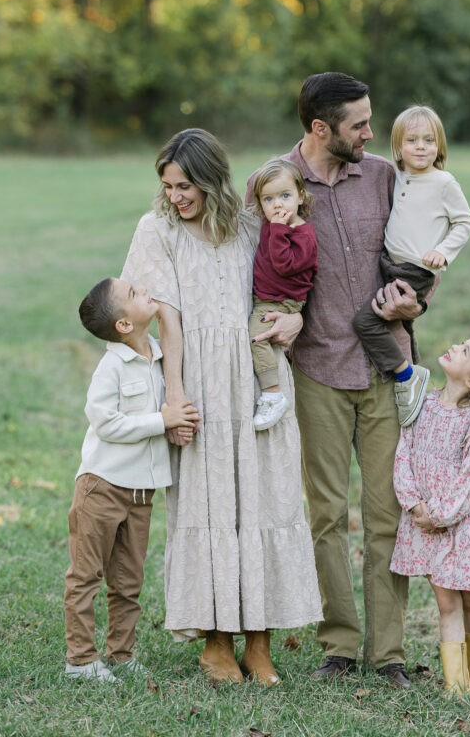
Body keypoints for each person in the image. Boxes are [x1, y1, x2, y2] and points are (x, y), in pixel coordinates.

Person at [246, 72, 430, 689]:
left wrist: (414, 304)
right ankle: (340, 646)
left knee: (388, 516)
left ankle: (391, 655)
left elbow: (417, 254)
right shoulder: (277, 184)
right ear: (321, 128)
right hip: (317, 371)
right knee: (326, 516)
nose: (372, 133)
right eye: (359, 124)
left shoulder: (382, 175)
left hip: (385, 368)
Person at [121, 128, 322, 687]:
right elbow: (163, 319)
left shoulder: (250, 221)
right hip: (200, 380)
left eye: (185, 185)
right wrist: (176, 391)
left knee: (264, 498)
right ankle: (215, 643)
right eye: (167, 185)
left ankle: (258, 643)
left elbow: (289, 283)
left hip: (259, 377)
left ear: (212, 180)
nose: (176, 196)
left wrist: (297, 318)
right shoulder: (156, 228)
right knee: (209, 505)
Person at [64, 277, 197, 681]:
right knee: (85, 575)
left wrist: (175, 422)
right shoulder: (112, 367)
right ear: (124, 325)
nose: (143, 288)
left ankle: (121, 655)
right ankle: (80, 661)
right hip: (102, 486)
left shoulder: (160, 356)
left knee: (128, 580)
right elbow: (106, 423)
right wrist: (163, 420)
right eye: (133, 294)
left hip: (141, 493)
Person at [390, 337, 470, 698]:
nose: (455, 347)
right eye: (460, 343)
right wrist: (414, 504)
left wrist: (441, 516)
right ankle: (455, 685)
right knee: (447, 604)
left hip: (459, 526)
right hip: (424, 520)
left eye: (465, 351)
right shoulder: (423, 404)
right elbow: (403, 454)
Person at [353, 105, 470, 428]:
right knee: (398, 324)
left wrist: (442, 252)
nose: (421, 147)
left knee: (366, 322)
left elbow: (464, 223)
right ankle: (410, 372)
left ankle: (407, 375)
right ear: (398, 148)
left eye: (429, 140)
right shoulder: (399, 176)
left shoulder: (443, 182)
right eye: (412, 140)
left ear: (439, 146)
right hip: (390, 264)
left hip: (414, 271)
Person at [247, 158, 318, 431]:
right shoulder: (273, 224)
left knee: (256, 338)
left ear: (301, 196)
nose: (277, 205)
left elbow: (284, 264)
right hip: (267, 296)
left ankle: (273, 394)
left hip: (282, 300)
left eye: (285, 196)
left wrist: (277, 230)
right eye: (269, 199)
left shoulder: (303, 235)